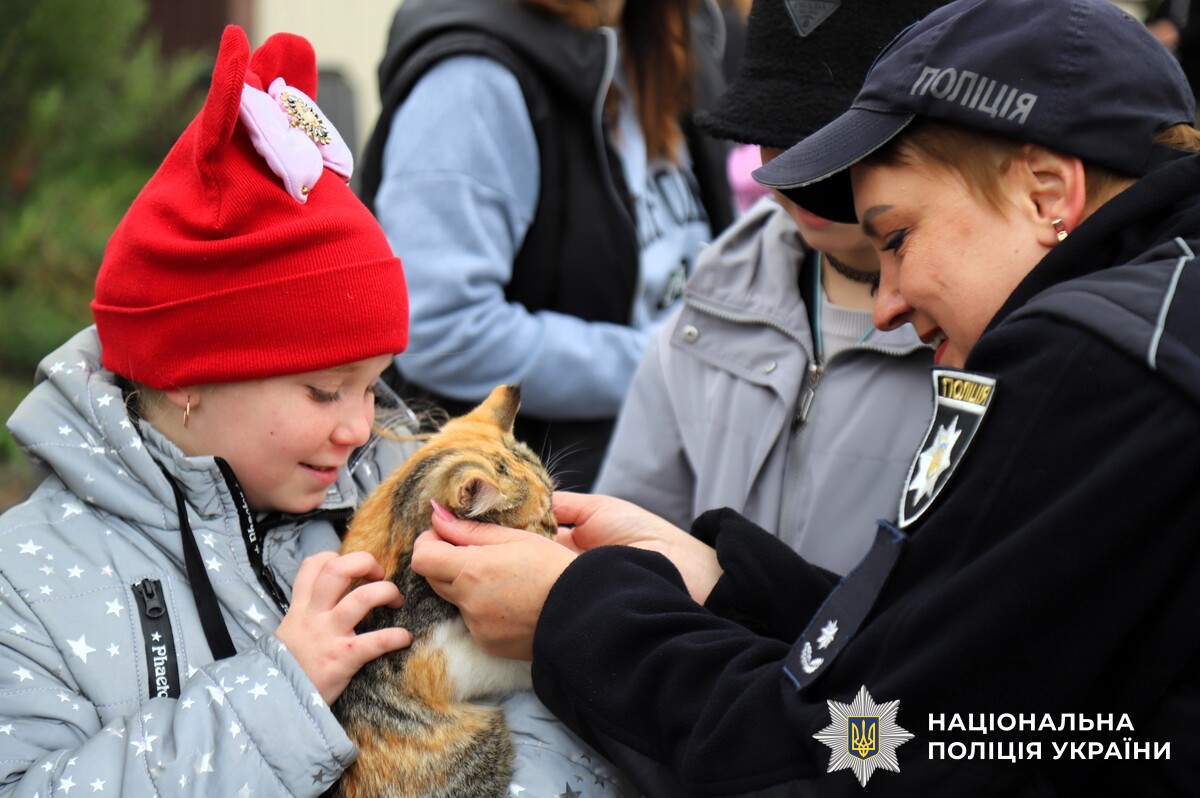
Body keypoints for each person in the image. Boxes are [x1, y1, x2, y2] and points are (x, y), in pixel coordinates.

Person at [412, 0, 1200, 792]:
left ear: (1045, 193)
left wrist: (574, 614)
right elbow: (966, 695)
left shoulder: (1089, 367)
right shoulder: (1152, 332)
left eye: (895, 238)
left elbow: (860, 755)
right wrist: (722, 585)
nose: (885, 303)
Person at [0, 26, 626, 797]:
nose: (361, 427)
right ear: (186, 376)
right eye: (324, 391)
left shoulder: (413, 500)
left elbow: (559, 722)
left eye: (371, 386)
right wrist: (281, 694)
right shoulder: (27, 583)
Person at [594, 0, 942, 576]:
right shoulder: (712, 304)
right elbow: (622, 547)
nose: (795, 171)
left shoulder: (979, 334)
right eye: (769, 132)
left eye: (834, 139)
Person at [357, 0, 735, 492]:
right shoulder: (471, 82)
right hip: (545, 503)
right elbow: (441, 327)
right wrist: (670, 363)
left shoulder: (673, 36)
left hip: (687, 456)